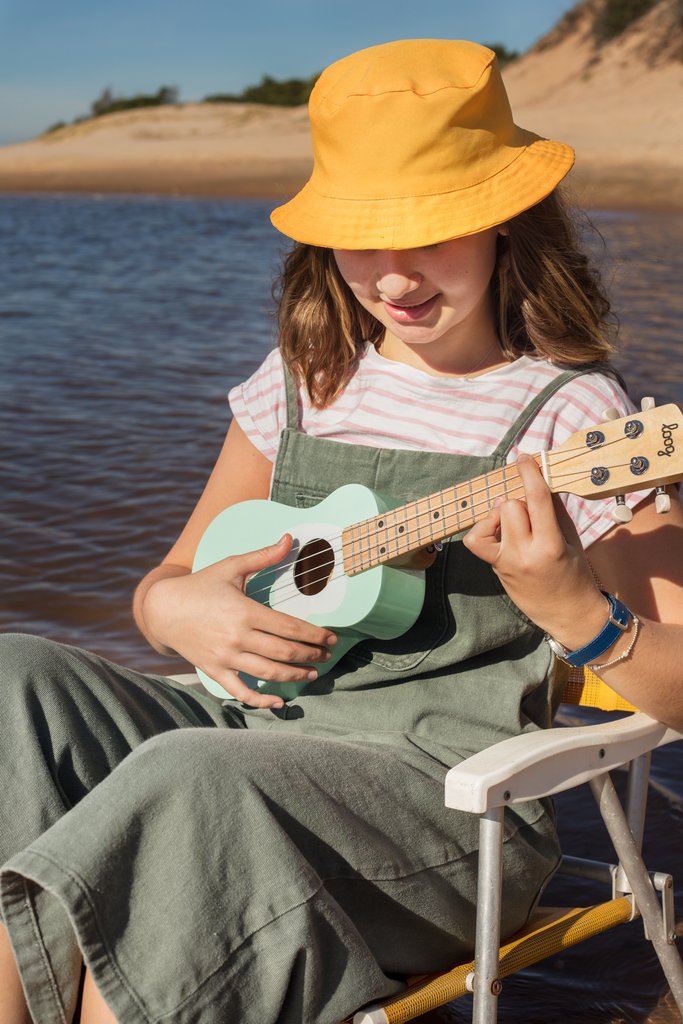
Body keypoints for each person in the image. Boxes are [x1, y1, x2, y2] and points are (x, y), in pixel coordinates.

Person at [2, 37, 683, 1024]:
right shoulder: (303, 376)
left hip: (435, 800)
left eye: (431, 232)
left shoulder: (576, 419)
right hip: (248, 731)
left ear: (503, 219)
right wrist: (178, 609)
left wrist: (576, 611)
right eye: (362, 236)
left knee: (184, 779)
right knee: (16, 678)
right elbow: (166, 585)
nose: (393, 277)